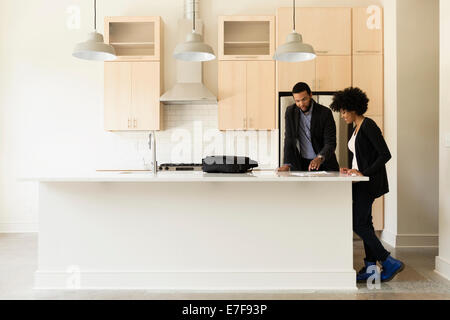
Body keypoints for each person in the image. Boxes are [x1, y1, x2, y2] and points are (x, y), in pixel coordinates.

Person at [329, 87, 404, 283]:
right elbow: (362, 157)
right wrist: (352, 170)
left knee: (358, 223)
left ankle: (388, 261)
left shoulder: (368, 125)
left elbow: (385, 154)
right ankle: (371, 268)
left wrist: (364, 172)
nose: (343, 115)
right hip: (360, 181)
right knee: (366, 224)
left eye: (344, 111)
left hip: (368, 182)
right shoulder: (357, 128)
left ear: (354, 109)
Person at [278, 82, 339, 172]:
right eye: (297, 101)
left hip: (324, 163)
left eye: (304, 99)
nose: (301, 104)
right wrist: (287, 164)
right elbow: (289, 139)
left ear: (310, 95)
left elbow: (330, 142)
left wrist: (320, 157)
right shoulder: (290, 112)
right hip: (302, 165)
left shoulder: (325, 113)